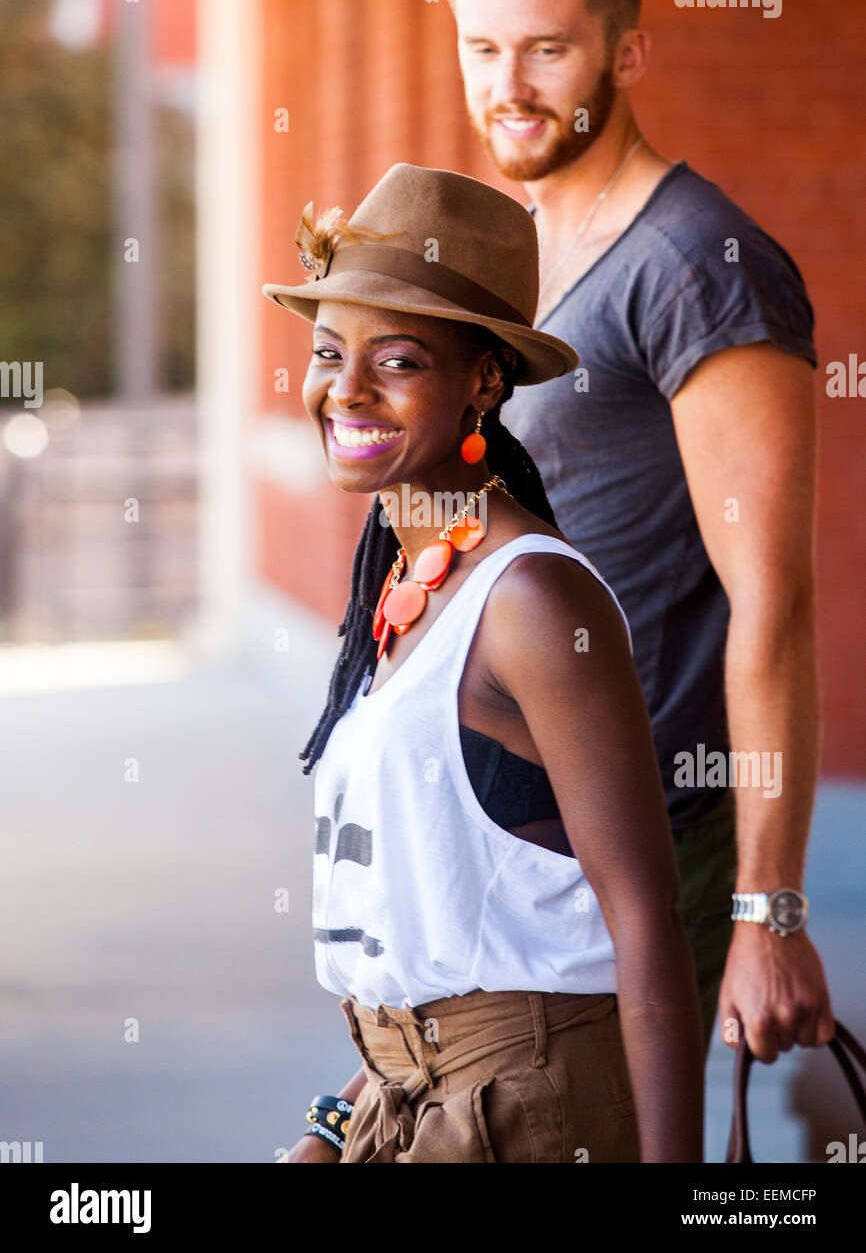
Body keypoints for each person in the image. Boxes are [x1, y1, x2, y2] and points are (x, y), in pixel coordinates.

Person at [436, 0, 834, 1067]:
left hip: (646, 842)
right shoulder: (521, 241)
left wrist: (767, 911)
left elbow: (771, 601)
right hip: (515, 830)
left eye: (547, 48)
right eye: (482, 46)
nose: (507, 87)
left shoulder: (695, 268)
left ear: (627, 47)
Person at [262, 161, 704, 1163]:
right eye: (331, 350)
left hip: (530, 1113)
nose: (348, 388)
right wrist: (332, 1129)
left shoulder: (533, 602)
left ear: (484, 379)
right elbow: (443, 925)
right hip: (403, 1094)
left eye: (399, 359)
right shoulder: (405, 582)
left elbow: (643, 919)